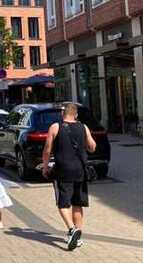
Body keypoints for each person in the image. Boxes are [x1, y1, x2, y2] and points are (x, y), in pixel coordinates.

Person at [42, 103, 96, 251]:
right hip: (80, 170)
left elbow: (47, 149)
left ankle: (72, 230)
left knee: (63, 203)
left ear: (62, 114)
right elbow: (92, 147)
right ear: (76, 114)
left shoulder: (55, 127)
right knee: (77, 203)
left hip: (62, 170)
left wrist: (45, 166)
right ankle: (78, 238)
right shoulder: (83, 127)